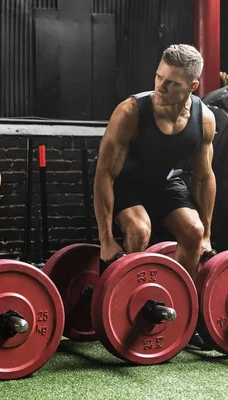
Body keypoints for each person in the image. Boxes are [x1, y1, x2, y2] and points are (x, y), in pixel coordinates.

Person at [93, 43, 216, 282]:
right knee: (139, 230)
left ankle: (179, 299)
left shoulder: (204, 120)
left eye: (172, 83)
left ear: (192, 87)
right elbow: (104, 174)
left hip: (163, 180)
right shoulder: (130, 112)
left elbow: (203, 178)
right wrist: (106, 239)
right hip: (123, 181)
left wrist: (207, 236)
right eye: (159, 77)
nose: (160, 87)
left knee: (194, 231)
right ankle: (126, 299)